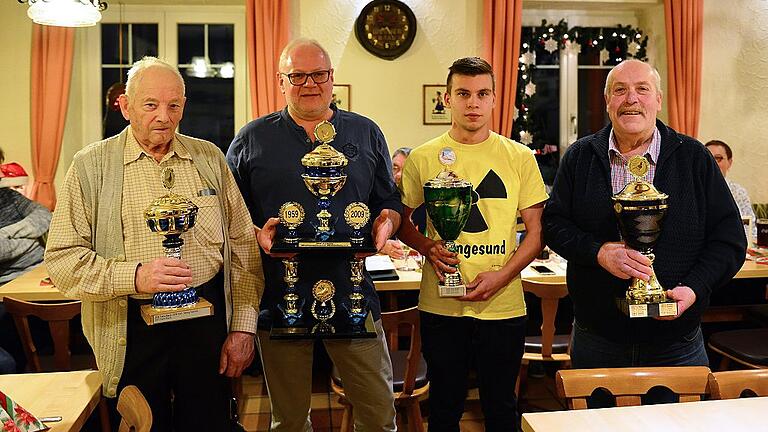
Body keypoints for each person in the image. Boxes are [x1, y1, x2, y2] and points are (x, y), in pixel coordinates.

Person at [44, 57, 263, 431]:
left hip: (206, 323)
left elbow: (243, 246)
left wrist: (243, 327)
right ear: (126, 106)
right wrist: (136, 277)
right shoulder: (89, 166)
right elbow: (63, 261)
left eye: (173, 105)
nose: (164, 116)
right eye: (150, 104)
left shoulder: (210, 157)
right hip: (129, 329)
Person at [542, 60, 746, 401]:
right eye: (620, 90)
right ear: (607, 101)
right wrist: (599, 252)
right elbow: (554, 224)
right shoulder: (580, 157)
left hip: (677, 343)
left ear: (659, 100)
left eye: (642, 89)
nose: (630, 99)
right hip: (598, 339)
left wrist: (694, 288)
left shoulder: (694, 158)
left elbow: (729, 240)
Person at [226, 38, 399, 431]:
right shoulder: (252, 138)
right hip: (279, 295)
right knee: (288, 421)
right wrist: (256, 233)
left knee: (378, 415)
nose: (309, 84)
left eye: (318, 74)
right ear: (281, 81)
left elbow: (389, 201)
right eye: (297, 76)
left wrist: (385, 224)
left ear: (332, 78)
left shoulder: (365, 132)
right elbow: (226, 214)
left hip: (353, 293)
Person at [397, 57, 548, 432]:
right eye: (463, 93)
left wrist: (502, 276)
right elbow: (402, 221)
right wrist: (429, 246)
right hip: (441, 306)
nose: (473, 103)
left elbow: (537, 232)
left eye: (482, 94)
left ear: (495, 99)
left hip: (504, 306)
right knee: (444, 409)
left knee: (501, 408)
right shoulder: (423, 157)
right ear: (447, 99)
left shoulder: (519, 156)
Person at [0, 149, 51, 284]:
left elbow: (43, 215)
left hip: (40, 268)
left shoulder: (6, 195)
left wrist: (6, 233)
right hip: (8, 282)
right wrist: (35, 241)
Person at [705, 140, 756, 236]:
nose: (712, 163)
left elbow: (750, 228)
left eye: (718, 158)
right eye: (708, 158)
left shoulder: (738, 192)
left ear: (729, 162)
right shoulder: (692, 191)